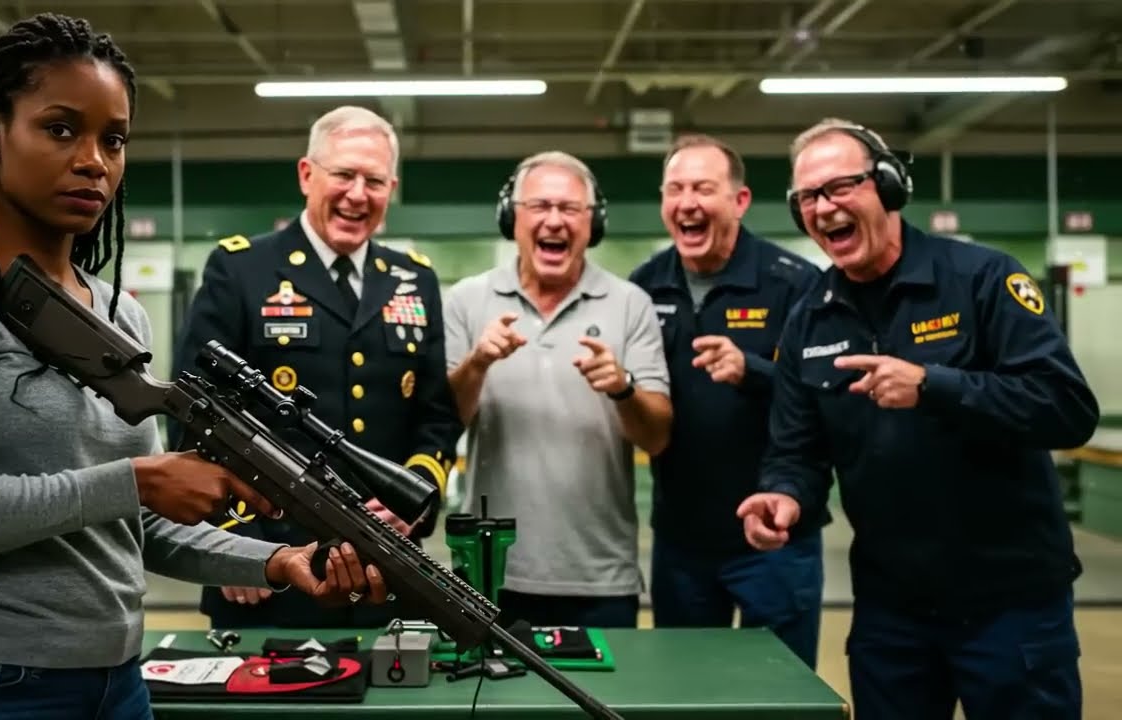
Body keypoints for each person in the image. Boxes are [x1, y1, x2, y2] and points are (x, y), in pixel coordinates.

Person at [0, 15, 385, 719]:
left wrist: (273, 561)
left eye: (113, 140)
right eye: (60, 129)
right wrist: (139, 478)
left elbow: (136, 527)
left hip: (118, 682)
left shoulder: (119, 314)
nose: (93, 161)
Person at [738, 117, 1098, 720]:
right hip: (891, 613)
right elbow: (797, 450)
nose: (823, 207)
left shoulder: (982, 279)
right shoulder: (809, 319)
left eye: (840, 187)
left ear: (888, 185)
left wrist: (935, 386)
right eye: (807, 197)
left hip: (1012, 606)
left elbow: (1066, 407)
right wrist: (785, 496)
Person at [171, 105, 462, 630]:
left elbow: (437, 416)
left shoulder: (414, 280)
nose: (358, 194)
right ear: (307, 175)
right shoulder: (241, 269)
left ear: (391, 189)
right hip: (264, 569)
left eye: (374, 180)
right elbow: (195, 413)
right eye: (344, 174)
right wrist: (230, 542)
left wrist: (413, 496)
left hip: (384, 569)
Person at [444, 151, 672, 628]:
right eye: (539, 206)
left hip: (600, 578)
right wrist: (477, 363)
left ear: (593, 222)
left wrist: (623, 388)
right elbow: (443, 424)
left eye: (570, 208)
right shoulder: (467, 300)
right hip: (489, 571)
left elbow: (656, 437)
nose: (554, 221)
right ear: (512, 217)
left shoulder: (630, 304)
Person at [627, 134, 825, 667]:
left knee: (781, 690)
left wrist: (754, 371)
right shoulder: (644, 288)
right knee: (687, 689)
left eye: (703, 188)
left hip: (778, 539)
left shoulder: (794, 284)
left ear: (739, 201)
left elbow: (825, 397)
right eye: (675, 189)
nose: (687, 202)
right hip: (682, 543)